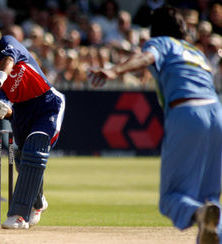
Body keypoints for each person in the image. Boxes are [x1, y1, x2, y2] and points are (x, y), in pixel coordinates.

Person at [88, 6, 222, 244]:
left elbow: (146, 58)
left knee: (170, 198)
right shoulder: (196, 52)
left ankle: (197, 214)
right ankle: (210, 227)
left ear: (155, 30)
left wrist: (114, 70)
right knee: (211, 197)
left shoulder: (161, 42)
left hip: (187, 112)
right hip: (217, 112)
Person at [0, 25, 65, 229]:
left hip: (47, 103)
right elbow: (6, 109)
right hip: (21, 113)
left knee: (35, 149)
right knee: (21, 159)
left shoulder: (8, 43)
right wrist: (1, 110)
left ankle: (19, 215)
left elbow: (8, 62)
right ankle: (38, 202)